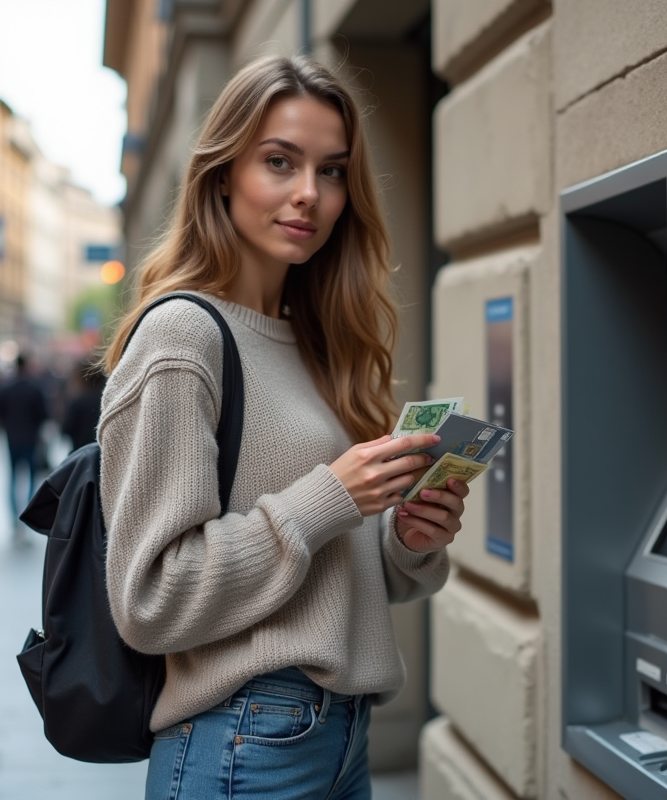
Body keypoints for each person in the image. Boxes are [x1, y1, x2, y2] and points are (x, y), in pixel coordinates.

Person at [98, 56, 469, 800]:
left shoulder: (314, 339)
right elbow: (150, 600)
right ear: (223, 174)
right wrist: (329, 495)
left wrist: (407, 540)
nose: (309, 194)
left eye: (332, 171)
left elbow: (338, 577)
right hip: (244, 740)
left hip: (341, 741)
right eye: (279, 162)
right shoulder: (182, 336)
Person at [0, 354, 47, 538]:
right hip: (30, 439)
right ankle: (28, 515)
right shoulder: (35, 389)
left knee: (13, 478)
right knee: (31, 478)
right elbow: (43, 415)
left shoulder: (6, 388)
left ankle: (13, 520)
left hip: (11, 439)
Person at [60, 359, 105, 451]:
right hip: (102, 451)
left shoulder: (78, 400)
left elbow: (67, 428)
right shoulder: (106, 400)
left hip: (81, 450)